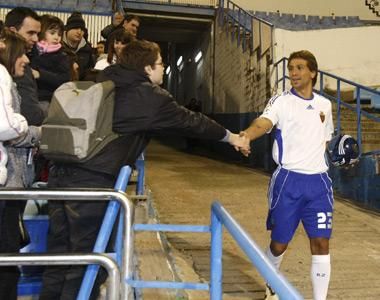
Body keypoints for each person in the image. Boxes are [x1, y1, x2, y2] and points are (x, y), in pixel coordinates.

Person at [40, 39, 247, 300]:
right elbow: (191, 122)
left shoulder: (104, 82)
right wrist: (232, 137)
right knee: (89, 261)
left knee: (59, 256)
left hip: (60, 175)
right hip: (92, 183)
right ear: (147, 68)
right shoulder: (147, 95)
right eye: (161, 63)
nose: (164, 68)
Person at [239, 50, 334, 300]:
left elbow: (324, 142)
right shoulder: (280, 101)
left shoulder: (325, 105)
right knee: (279, 243)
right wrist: (247, 135)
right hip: (288, 182)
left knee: (321, 244)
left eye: (300, 67)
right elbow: (264, 123)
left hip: (319, 184)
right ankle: (271, 282)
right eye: (291, 67)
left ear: (313, 72)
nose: (293, 72)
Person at [0, 28, 41, 300]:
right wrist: (33, 130)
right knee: (6, 253)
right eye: (22, 53)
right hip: (6, 183)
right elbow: (6, 127)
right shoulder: (0, 74)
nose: (26, 60)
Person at [5, 6, 46, 125]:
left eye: (38, 34)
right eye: (31, 33)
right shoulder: (18, 67)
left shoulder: (31, 57)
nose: (36, 39)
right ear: (13, 31)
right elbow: (31, 115)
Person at [30, 14, 71, 110]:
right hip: (30, 95)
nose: (57, 37)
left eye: (59, 34)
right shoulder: (31, 50)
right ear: (42, 32)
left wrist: (41, 74)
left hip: (48, 98)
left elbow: (64, 79)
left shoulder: (61, 56)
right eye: (52, 33)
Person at [62, 12, 94, 80]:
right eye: (75, 28)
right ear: (68, 29)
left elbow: (89, 71)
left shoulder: (87, 50)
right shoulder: (57, 46)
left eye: (82, 29)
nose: (79, 32)